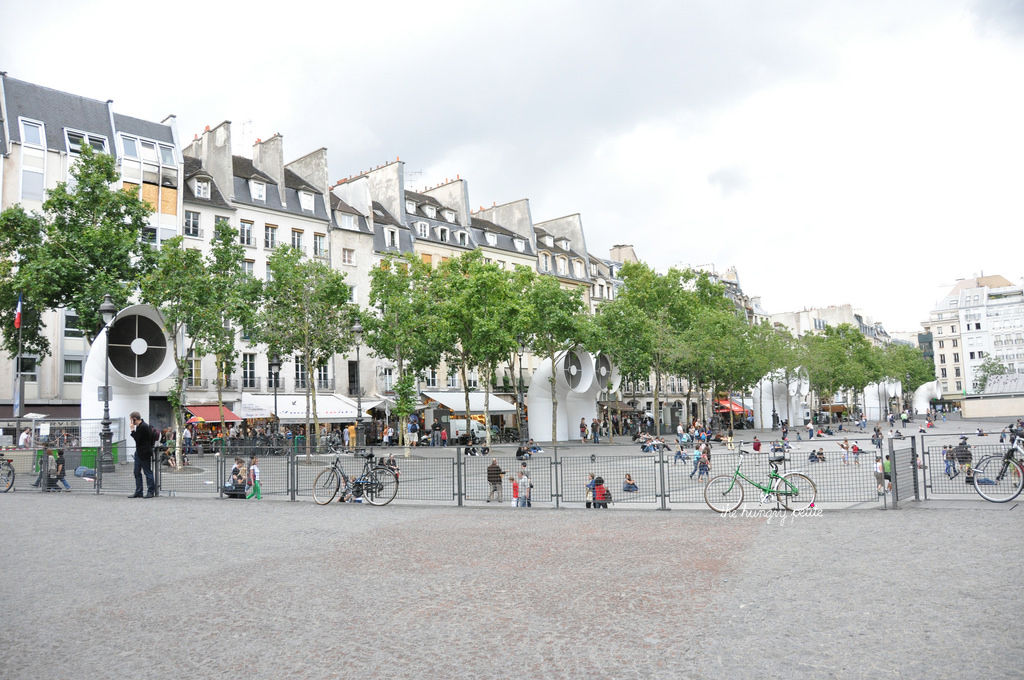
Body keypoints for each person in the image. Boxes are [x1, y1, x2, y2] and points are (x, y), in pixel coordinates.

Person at [129, 411, 158, 498]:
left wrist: (132, 430)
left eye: (131, 420)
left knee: (147, 472)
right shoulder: (140, 426)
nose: (130, 422)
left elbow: (137, 439)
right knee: (136, 471)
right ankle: (139, 491)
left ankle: (150, 491)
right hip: (139, 452)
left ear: (134, 419)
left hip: (144, 452)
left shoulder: (143, 427)